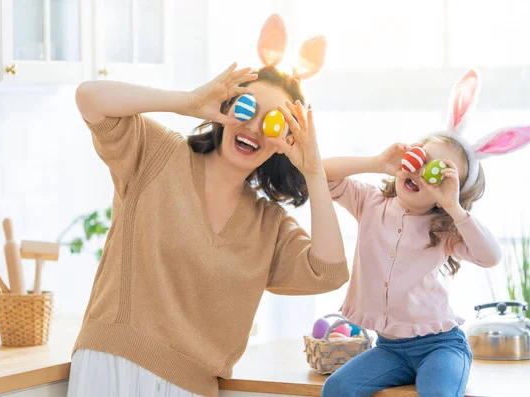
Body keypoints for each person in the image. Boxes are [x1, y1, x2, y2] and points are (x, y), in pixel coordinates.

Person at [67, 15, 348, 397]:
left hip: (193, 387)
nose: (253, 127)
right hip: (110, 366)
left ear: (284, 142)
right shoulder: (157, 154)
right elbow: (90, 97)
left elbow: (329, 272)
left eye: (273, 123)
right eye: (248, 109)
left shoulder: (269, 225)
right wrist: (185, 102)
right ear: (227, 107)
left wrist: (313, 172)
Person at [321, 69, 530, 396]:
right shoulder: (370, 202)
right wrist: (378, 163)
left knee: (437, 392)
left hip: (441, 347)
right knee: (336, 389)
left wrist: (454, 208)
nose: (421, 173)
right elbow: (320, 174)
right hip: (389, 349)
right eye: (422, 157)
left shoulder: (444, 228)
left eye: (437, 175)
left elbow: (491, 256)